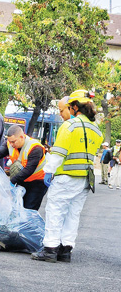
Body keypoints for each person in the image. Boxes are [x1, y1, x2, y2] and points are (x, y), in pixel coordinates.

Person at [31, 90, 103, 263]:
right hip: (84, 180)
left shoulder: (69, 126)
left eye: (69, 107)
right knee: (73, 214)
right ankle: (65, 250)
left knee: (55, 211)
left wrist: (48, 171)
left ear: (75, 107)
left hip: (66, 177)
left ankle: (50, 249)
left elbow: (58, 153)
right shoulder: (96, 130)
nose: (68, 110)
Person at [0, 125, 48, 210]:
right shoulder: (10, 143)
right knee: (18, 207)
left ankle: (29, 223)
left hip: (37, 181)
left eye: (13, 142)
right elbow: (2, 151)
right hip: (22, 179)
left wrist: (12, 181)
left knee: (29, 208)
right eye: (9, 141)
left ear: (21, 137)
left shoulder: (35, 148)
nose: (11, 144)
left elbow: (29, 170)